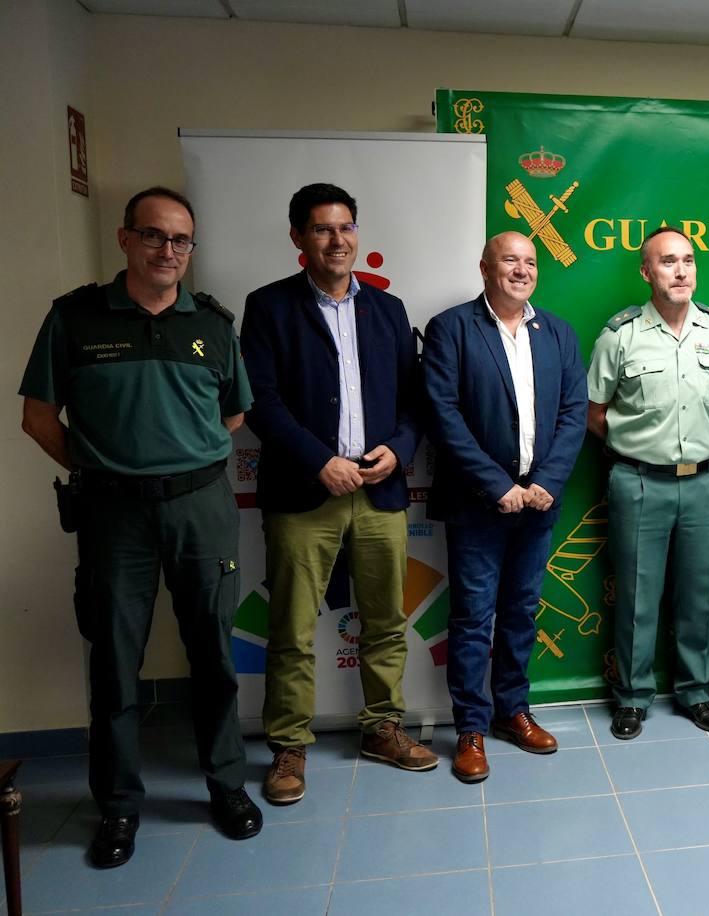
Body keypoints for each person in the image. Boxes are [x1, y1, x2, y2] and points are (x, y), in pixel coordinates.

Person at [19, 186, 262, 867]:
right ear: (125, 239)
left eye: (181, 240)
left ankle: (227, 786)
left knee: (213, 655)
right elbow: (38, 416)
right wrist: (104, 468)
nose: (168, 250)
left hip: (199, 509)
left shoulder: (213, 324)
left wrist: (179, 458)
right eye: (154, 236)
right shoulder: (75, 318)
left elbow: (234, 416)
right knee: (115, 664)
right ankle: (119, 807)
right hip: (113, 515)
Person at [240, 183, 437, 805]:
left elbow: (414, 401)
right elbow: (259, 402)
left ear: (358, 233)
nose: (337, 239)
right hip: (305, 492)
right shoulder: (269, 307)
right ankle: (288, 747)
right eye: (323, 229)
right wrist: (319, 460)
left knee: (384, 620)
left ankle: (383, 728)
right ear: (298, 237)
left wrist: (399, 450)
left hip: (379, 490)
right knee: (293, 629)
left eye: (346, 227)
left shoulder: (387, 309)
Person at [423, 232, 587, 783]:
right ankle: (469, 727)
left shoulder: (558, 332)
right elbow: (443, 416)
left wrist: (546, 481)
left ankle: (511, 710)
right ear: (485, 268)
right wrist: (497, 485)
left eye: (530, 261)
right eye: (510, 260)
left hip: (538, 502)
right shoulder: (452, 329)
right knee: (473, 618)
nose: (521, 269)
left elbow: (572, 413)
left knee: (522, 610)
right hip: (478, 503)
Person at [587, 227, 709, 740]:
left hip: (707, 481)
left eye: (688, 261)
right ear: (646, 272)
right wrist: (639, 451)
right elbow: (596, 412)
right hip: (640, 482)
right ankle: (632, 697)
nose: (680, 271)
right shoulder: (620, 335)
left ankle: (697, 692)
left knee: (699, 594)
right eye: (668, 261)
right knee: (637, 595)